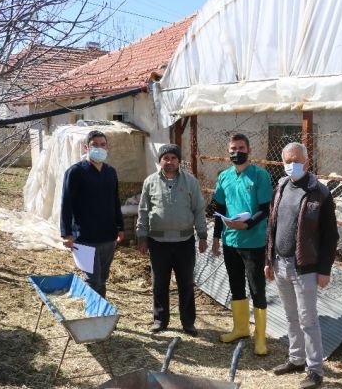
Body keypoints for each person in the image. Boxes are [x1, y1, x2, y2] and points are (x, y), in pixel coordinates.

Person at [264, 142, 338, 389]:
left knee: (308, 320)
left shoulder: (320, 192)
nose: (291, 165)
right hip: (281, 264)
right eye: (287, 161)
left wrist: (325, 269)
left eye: (296, 160)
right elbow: (272, 226)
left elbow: (331, 236)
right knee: (291, 316)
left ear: (307, 161)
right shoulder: (282, 186)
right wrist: (269, 261)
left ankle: (315, 370)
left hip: (305, 267)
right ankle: (296, 359)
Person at [136, 144, 207, 336]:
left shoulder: (190, 182)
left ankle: (188, 322)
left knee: (186, 283)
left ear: (178, 161)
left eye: (173, 158)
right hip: (158, 243)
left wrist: (202, 235)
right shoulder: (150, 182)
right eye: (165, 158)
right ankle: (160, 320)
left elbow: (199, 209)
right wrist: (142, 236)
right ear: (160, 161)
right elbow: (143, 211)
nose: (169, 162)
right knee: (159, 283)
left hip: (184, 241)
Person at [212, 133, 273, 355]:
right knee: (235, 284)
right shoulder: (224, 177)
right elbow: (218, 209)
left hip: (253, 241)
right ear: (228, 151)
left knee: (257, 287)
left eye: (241, 147)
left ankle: (260, 338)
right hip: (230, 241)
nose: (236, 152)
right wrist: (216, 238)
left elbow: (265, 208)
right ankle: (240, 328)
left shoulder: (260, 176)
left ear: (249, 150)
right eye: (233, 148)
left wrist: (247, 225)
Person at [60, 130, 124, 298]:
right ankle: (93, 314)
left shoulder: (110, 172)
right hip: (84, 237)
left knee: (102, 278)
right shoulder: (75, 172)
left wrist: (120, 227)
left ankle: (98, 314)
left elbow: (115, 200)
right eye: (95, 145)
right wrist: (67, 234)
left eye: (103, 145)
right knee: (92, 279)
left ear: (107, 147)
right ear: (86, 147)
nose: (99, 148)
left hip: (107, 236)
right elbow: (66, 203)